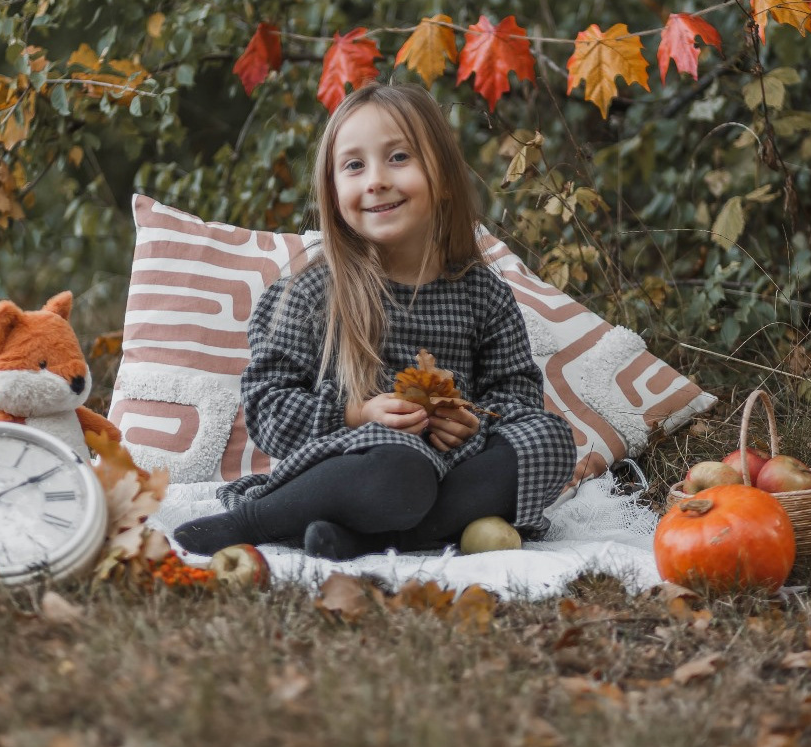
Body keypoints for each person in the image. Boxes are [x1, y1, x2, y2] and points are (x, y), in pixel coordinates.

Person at [174, 82, 577, 561]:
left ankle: (374, 540)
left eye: (399, 157)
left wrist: (472, 420)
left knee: (551, 441)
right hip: (357, 461)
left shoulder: (481, 292)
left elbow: (517, 392)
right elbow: (269, 411)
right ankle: (255, 520)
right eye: (354, 165)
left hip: (458, 464)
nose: (376, 180)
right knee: (398, 471)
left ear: (444, 177)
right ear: (333, 189)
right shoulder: (309, 296)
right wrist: (356, 413)